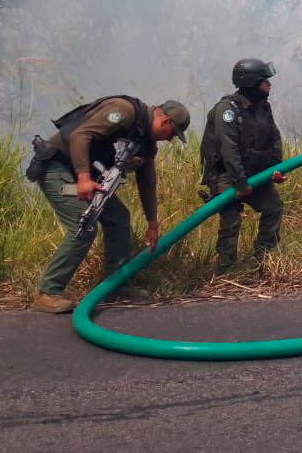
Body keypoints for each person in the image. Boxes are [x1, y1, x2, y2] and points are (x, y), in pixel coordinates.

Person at [30, 96, 191, 313]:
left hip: (82, 173)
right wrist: (84, 177)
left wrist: (152, 221)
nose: (170, 140)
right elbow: (81, 135)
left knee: (119, 218)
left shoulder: (145, 141)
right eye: (173, 134)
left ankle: (118, 284)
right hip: (58, 167)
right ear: (165, 122)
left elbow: (147, 182)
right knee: (84, 224)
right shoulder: (123, 112)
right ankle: (47, 292)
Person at [200, 58, 286, 273]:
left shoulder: (263, 108)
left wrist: (277, 169)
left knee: (273, 208)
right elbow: (228, 149)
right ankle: (226, 270)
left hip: (256, 174)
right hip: (227, 176)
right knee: (231, 220)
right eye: (265, 81)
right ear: (252, 83)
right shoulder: (227, 110)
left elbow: (274, 138)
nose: (269, 85)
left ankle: (263, 261)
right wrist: (239, 182)